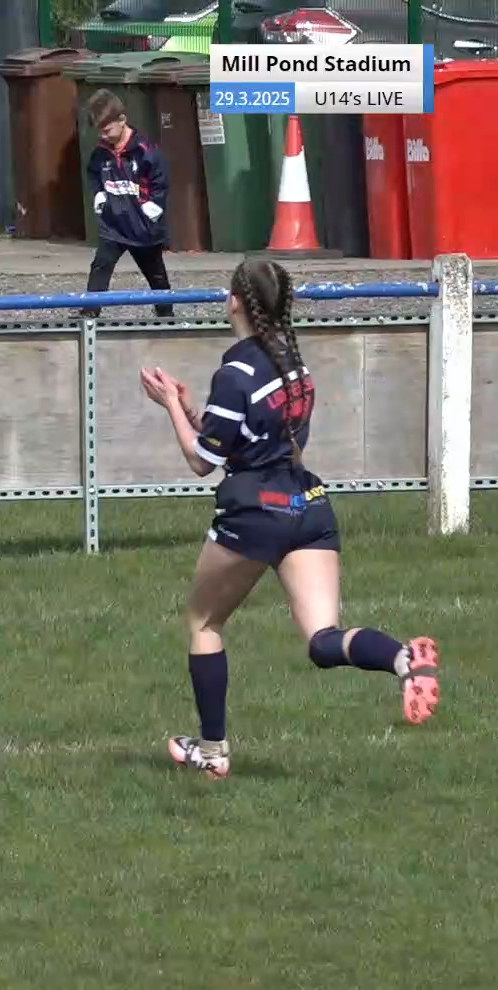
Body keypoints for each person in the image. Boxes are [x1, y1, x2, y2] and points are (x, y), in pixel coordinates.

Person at [138, 257, 440, 778]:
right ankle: (402, 660)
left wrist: (168, 403)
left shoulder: (234, 372)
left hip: (255, 511)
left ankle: (212, 752)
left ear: (234, 300)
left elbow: (202, 461)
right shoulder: (293, 364)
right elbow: (263, 442)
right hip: (309, 505)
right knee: (323, 640)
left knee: (204, 623)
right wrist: (195, 412)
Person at [82, 88, 175, 320]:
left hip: (143, 226)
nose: (103, 136)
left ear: (122, 120)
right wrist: (99, 194)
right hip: (114, 224)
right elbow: (93, 174)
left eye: (107, 130)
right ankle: (89, 314)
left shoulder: (146, 152)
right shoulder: (100, 154)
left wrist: (154, 205)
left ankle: (166, 315)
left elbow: (160, 179)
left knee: (156, 275)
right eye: (99, 131)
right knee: (100, 266)